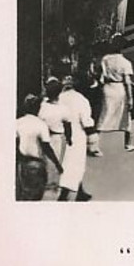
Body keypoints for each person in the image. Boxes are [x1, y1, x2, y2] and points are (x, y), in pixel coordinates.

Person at [15, 94, 64, 201]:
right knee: (36, 194)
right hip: (36, 164)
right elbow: (46, 147)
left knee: (24, 192)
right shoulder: (41, 125)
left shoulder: (18, 122)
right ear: (37, 108)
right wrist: (57, 164)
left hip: (22, 163)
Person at [58, 73, 95, 201]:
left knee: (65, 164)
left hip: (59, 136)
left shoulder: (57, 98)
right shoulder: (81, 99)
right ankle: (68, 194)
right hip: (76, 136)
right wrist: (92, 137)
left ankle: (78, 190)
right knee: (76, 165)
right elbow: (86, 120)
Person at [97, 34, 134, 153]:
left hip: (107, 88)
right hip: (119, 88)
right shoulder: (125, 62)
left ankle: (94, 144)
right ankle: (128, 144)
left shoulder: (105, 59)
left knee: (104, 115)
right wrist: (131, 98)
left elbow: (100, 75)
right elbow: (128, 82)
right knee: (126, 116)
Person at [38, 77, 72, 199]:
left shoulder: (42, 106)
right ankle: (55, 188)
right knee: (57, 162)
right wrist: (69, 138)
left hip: (42, 137)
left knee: (45, 161)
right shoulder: (63, 108)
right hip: (57, 137)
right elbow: (68, 125)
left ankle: (46, 186)